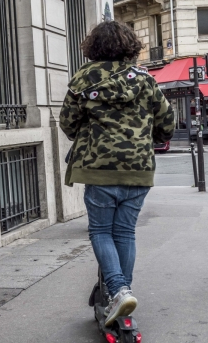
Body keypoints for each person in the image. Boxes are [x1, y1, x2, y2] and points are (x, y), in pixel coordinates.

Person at [60, 21, 175, 326]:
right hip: (138, 169)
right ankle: (121, 291)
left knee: (100, 231)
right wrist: (151, 136)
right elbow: (167, 123)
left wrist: (87, 131)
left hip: (99, 169)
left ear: (93, 46)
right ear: (129, 46)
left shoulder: (83, 78)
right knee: (124, 232)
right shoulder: (145, 79)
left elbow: (67, 122)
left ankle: (118, 291)